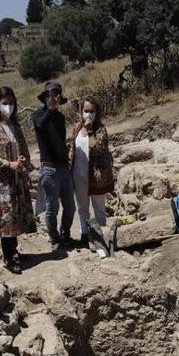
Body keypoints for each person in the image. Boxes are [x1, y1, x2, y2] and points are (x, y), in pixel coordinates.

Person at [0, 87, 36, 273]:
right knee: (5, 218)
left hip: (16, 179)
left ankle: (14, 251)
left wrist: (22, 161)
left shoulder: (14, 125)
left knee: (14, 216)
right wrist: (9, 164)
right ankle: (8, 257)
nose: (8, 107)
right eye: (4, 103)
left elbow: (22, 148)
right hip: (1, 183)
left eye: (11, 103)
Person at [31, 80, 75, 247]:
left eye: (56, 94)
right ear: (45, 98)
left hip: (64, 168)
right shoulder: (37, 115)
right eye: (50, 95)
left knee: (70, 208)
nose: (53, 98)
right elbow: (40, 127)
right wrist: (50, 110)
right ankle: (54, 238)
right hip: (49, 169)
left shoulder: (60, 117)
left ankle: (65, 234)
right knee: (52, 208)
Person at [68, 96, 114, 245]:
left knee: (99, 208)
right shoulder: (76, 128)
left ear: (97, 112)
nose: (88, 114)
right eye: (86, 111)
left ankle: (102, 238)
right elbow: (72, 150)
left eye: (92, 111)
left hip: (96, 176)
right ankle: (85, 235)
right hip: (78, 175)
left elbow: (98, 149)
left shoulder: (100, 129)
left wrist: (89, 131)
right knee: (82, 208)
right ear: (81, 111)